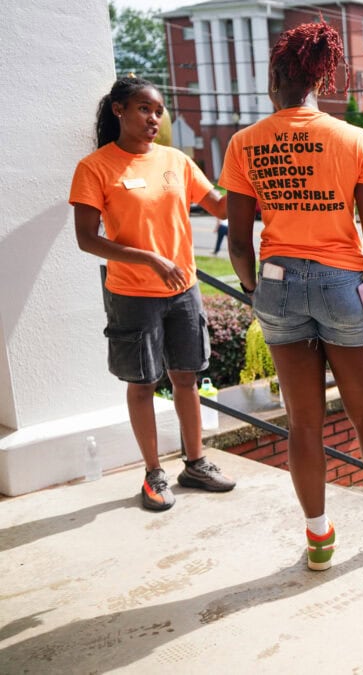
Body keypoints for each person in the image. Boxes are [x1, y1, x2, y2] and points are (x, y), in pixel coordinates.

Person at [218, 21, 363, 570]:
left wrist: (256, 290)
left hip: (277, 283)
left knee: (302, 423)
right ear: (318, 80)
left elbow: (238, 244)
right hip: (343, 283)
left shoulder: (244, 143)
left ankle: (319, 541)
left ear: (276, 78)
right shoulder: (352, 139)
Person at [69, 75, 236, 512]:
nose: (153, 118)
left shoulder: (175, 160)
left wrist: (261, 185)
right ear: (119, 110)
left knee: (187, 376)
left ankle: (195, 463)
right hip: (131, 293)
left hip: (183, 289)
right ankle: (153, 473)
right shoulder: (96, 168)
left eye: (158, 111)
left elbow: (219, 206)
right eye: (144, 108)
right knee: (142, 382)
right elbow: (86, 239)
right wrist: (147, 259)